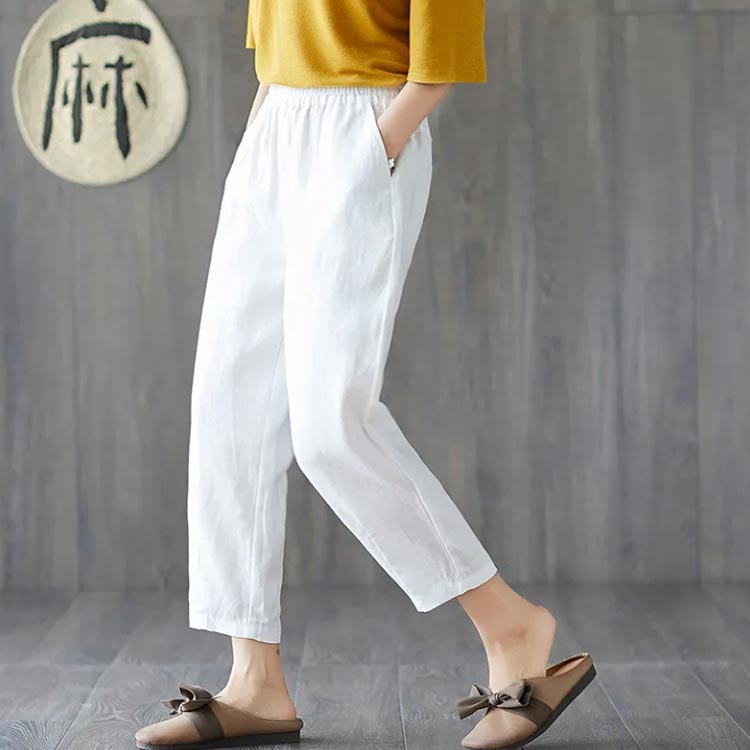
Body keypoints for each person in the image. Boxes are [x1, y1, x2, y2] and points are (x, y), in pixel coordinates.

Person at [135, 2, 595, 749]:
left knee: (331, 426)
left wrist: (375, 145)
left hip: (365, 123)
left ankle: (511, 625)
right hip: (274, 125)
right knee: (229, 410)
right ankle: (255, 680)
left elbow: (440, 59)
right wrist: (262, 133)